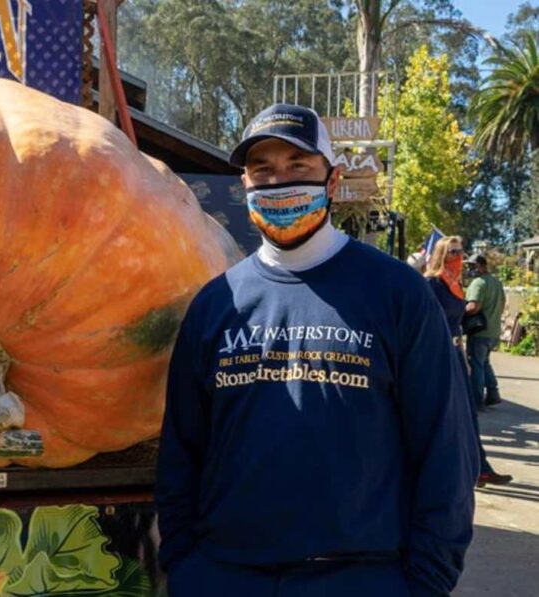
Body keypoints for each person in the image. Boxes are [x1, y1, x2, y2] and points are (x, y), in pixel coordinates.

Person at [155, 104, 479, 597]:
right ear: (245, 184)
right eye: (262, 169)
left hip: (361, 577)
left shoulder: (397, 294)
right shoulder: (216, 304)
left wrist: (425, 583)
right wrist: (186, 565)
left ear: (332, 181)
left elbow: (445, 451)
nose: (279, 181)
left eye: (298, 167)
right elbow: (182, 451)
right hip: (224, 575)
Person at [425, 237, 512, 488]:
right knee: (447, 417)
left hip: (456, 352)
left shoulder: (456, 284)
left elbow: (458, 324)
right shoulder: (432, 283)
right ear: (442, 253)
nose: (458, 256)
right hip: (439, 356)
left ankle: (481, 468)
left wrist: (462, 353)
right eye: (453, 251)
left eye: (461, 251)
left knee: (469, 415)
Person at [465, 254, 506, 409]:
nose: (470, 269)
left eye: (472, 266)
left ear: (482, 266)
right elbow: (503, 304)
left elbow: (473, 306)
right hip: (493, 331)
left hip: (479, 332)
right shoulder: (496, 282)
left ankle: (476, 401)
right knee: (484, 362)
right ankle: (493, 394)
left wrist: (458, 310)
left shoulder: (478, 283)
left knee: (475, 365)